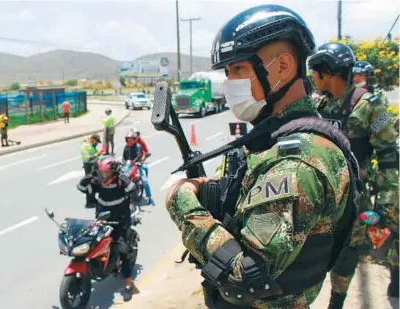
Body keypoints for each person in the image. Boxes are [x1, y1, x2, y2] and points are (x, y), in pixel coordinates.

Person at [165, 4, 360, 308]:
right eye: (227, 73)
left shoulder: (297, 162)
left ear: (282, 67)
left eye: (238, 69)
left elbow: (245, 277)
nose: (230, 83)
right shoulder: (275, 137)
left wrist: (183, 204)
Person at [309, 42, 399, 307]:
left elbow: (388, 156)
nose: (313, 78)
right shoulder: (320, 106)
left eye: (316, 72)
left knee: (350, 251)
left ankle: (337, 301)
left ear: (329, 72)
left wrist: (386, 203)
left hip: (356, 195)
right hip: (324, 193)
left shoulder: (371, 106)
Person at [76, 155, 137, 301]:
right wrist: (90, 175)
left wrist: (124, 177)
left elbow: (133, 189)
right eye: (102, 173)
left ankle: (129, 285)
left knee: (122, 250)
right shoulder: (98, 182)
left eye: (107, 173)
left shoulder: (120, 181)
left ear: (114, 173)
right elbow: (81, 187)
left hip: (120, 221)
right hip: (102, 219)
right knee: (90, 243)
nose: (104, 177)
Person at [123, 131, 154, 206]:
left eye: (131, 139)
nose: (129, 141)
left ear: (134, 139)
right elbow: (124, 157)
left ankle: (149, 198)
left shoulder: (138, 146)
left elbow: (139, 155)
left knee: (144, 181)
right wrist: (123, 162)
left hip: (137, 165)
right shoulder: (126, 147)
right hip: (128, 166)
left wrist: (135, 161)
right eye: (128, 139)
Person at [80, 134, 103, 208]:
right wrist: (97, 154)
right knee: (89, 184)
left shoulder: (90, 145)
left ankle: (93, 200)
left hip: (94, 166)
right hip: (89, 167)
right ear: (92, 139)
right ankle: (89, 203)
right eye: (96, 141)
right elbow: (87, 159)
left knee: (95, 183)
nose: (96, 143)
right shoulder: (85, 146)